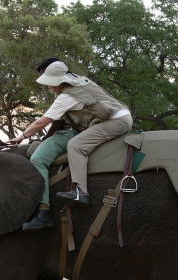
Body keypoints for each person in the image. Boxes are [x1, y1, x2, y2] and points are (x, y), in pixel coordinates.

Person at [9, 60, 132, 230]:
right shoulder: (80, 82)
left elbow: (41, 122)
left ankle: (81, 192)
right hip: (120, 116)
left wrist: (21, 137)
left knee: (75, 145)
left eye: (50, 82)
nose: (49, 87)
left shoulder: (67, 96)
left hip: (115, 121)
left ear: (58, 81)